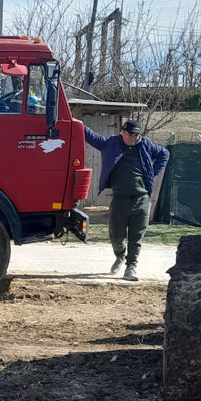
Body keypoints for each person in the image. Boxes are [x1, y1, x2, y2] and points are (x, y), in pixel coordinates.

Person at [83, 119, 169, 282]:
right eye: (130, 134)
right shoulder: (111, 144)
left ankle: (131, 267)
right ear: (122, 131)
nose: (133, 138)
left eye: (137, 135)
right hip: (120, 199)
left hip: (141, 199)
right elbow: (91, 137)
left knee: (136, 237)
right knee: (116, 236)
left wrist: (152, 172)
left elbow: (165, 154)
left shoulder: (146, 145)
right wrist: (76, 123)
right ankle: (120, 256)